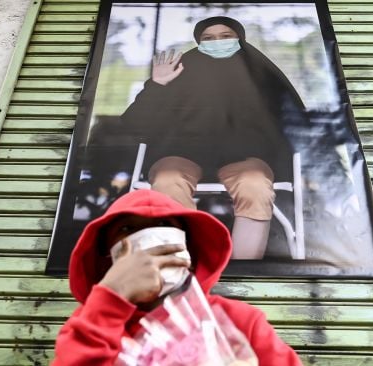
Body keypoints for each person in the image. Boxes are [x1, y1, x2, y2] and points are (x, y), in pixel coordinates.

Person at [119, 16, 308, 260]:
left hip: (247, 157)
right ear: (198, 42)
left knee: (255, 184)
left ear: (240, 38)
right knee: (168, 180)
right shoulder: (180, 70)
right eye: (208, 38)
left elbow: (294, 121)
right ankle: (185, 264)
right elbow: (135, 123)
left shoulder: (261, 74)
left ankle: (243, 268)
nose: (217, 41)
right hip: (180, 154)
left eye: (225, 36)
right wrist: (157, 84)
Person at [52, 189, 303, 365]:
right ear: (106, 255)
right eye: (127, 228)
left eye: (163, 226)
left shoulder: (238, 320)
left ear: (187, 248)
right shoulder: (91, 325)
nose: (149, 239)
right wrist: (111, 296)